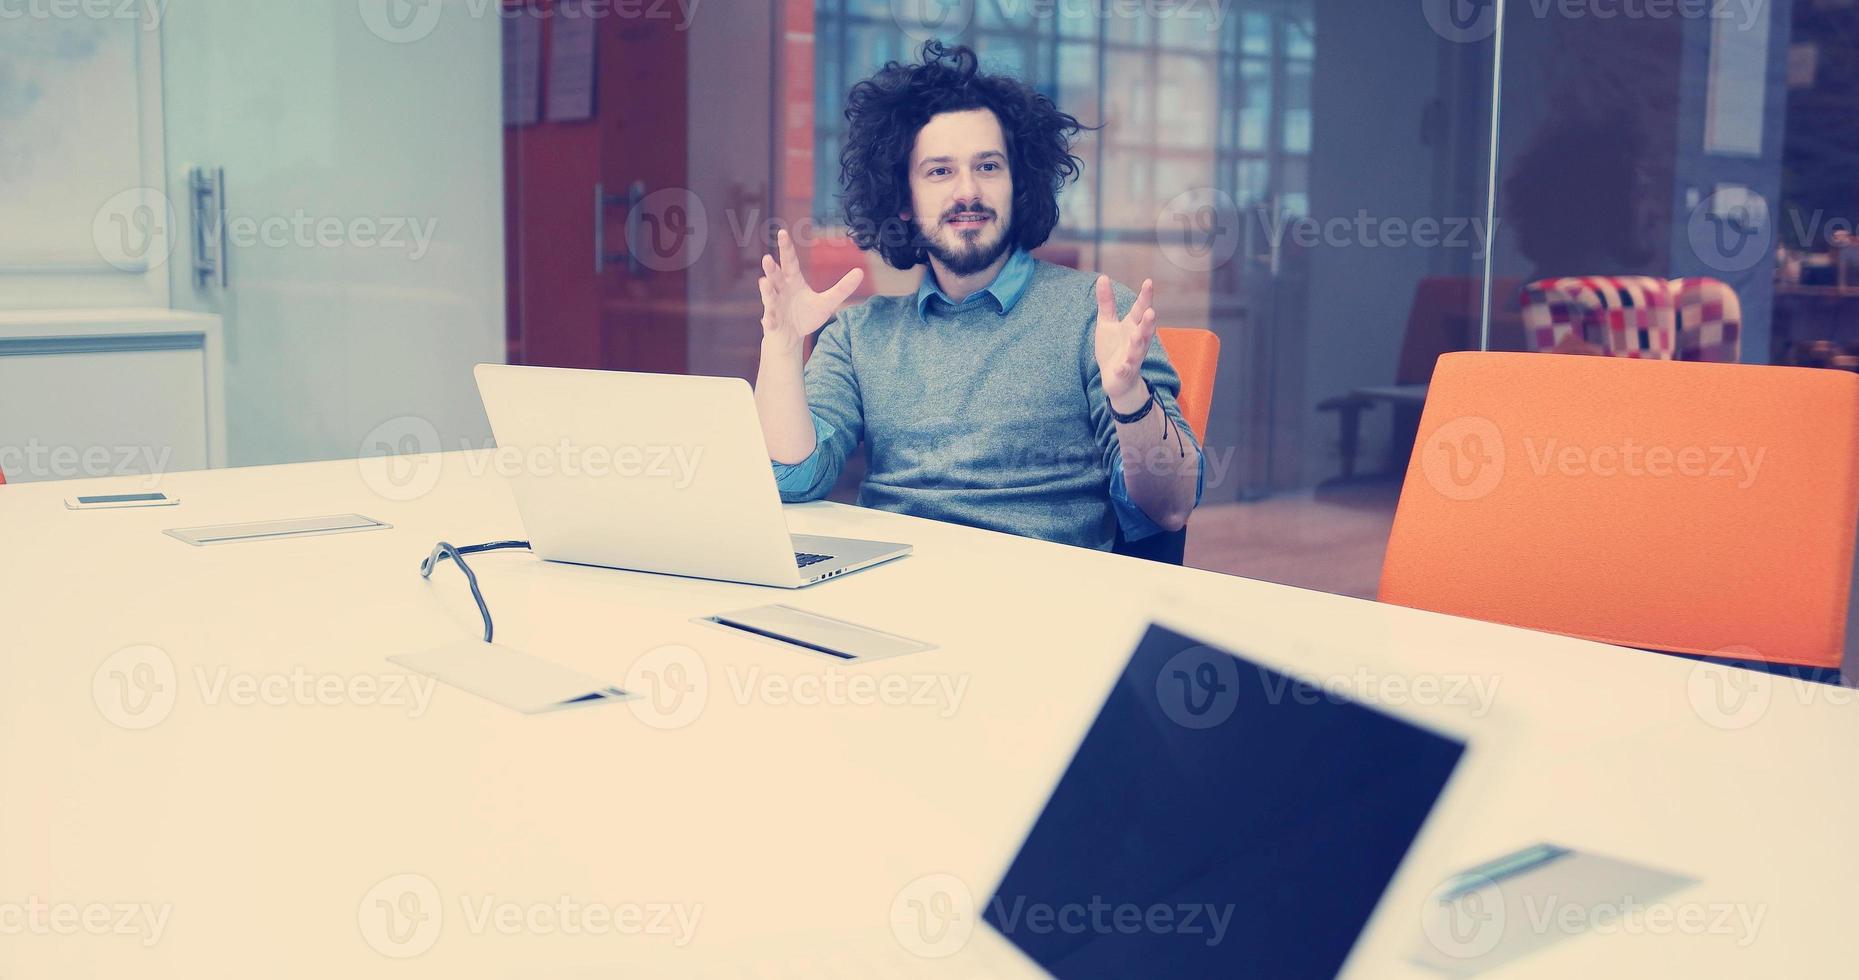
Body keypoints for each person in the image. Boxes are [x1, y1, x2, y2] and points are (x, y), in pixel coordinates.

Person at [752, 42, 1203, 552]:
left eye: (988, 166)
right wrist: (783, 349)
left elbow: (1170, 508)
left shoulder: (1096, 316)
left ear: (1019, 184)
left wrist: (1128, 399)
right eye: (939, 171)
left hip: (1041, 603)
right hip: (890, 590)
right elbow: (794, 481)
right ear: (903, 201)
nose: (968, 191)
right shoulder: (859, 334)